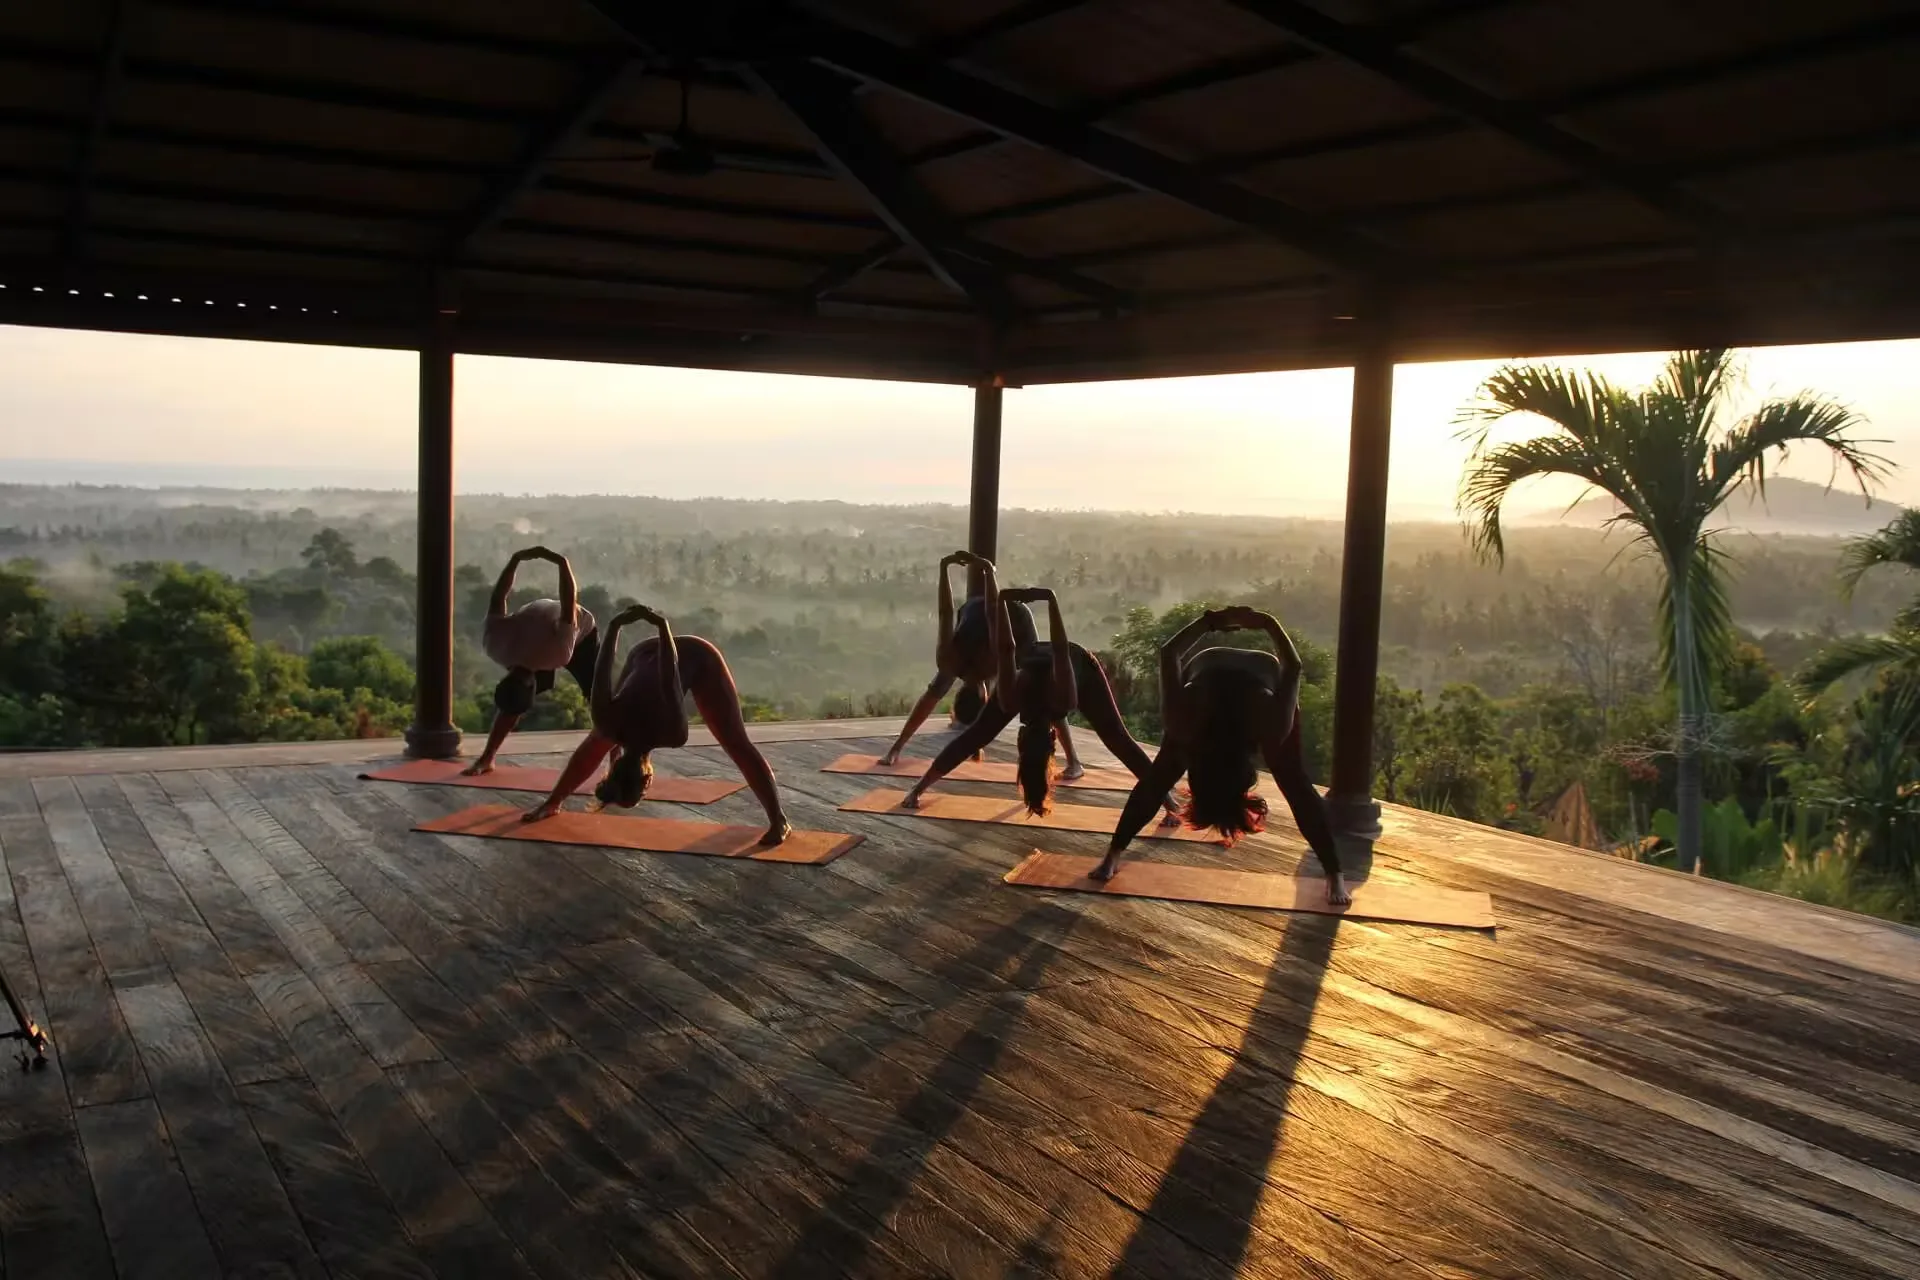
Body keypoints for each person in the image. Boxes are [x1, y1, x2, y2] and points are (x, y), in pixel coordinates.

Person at [1096, 605, 1350, 906]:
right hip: (1219, 672)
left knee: (1292, 781)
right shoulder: (1208, 722)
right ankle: (1112, 855)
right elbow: (1169, 654)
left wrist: (1222, 623)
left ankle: (1334, 872)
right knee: (1293, 782)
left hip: (1241, 673)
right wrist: (1255, 623)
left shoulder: (1214, 723)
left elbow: (1292, 668)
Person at [899, 561, 1180, 820]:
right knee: (1118, 739)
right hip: (1072, 664)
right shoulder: (1059, 698)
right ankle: (1168, 801)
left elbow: (1007, 647)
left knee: (1116, 739)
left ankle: (1168, 801)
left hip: (1075, 667)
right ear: (1022, 737)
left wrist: (917, 790)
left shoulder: (1013, 697)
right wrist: (1049, 599)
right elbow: (1049, 649)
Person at [521, 603, 791, 845]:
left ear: (648, 778)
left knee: (736, 742)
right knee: (601, 738)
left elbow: (668, 677)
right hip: (645, 650)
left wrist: (662, 628)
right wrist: (618, 626)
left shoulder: (670, 733)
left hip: (697, 657)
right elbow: (603, 672)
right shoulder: (608, 721)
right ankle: (554, 802)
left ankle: (779, 821)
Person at [878, 550, 1086, 778]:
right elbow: (947, 612)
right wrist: (957, 568)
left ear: (985, 697)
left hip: (1016, 619)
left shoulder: (974, 660)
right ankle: (896, 748)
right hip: (975, 612)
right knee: (940, 687)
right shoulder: (950, 661)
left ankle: (1074, 761)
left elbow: (988, 611)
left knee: (1040, 686)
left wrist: (975, 569)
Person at [465, 546, 597, 776]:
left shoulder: (556, 652)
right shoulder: (494, 647)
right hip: (543, 625)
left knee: (597, 695)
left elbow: (569, 605)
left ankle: (616, 759)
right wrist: (515, 560)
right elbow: (498, 596)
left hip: (582, 631)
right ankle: (487, 758)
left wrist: (562, 563)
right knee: (512, 703)